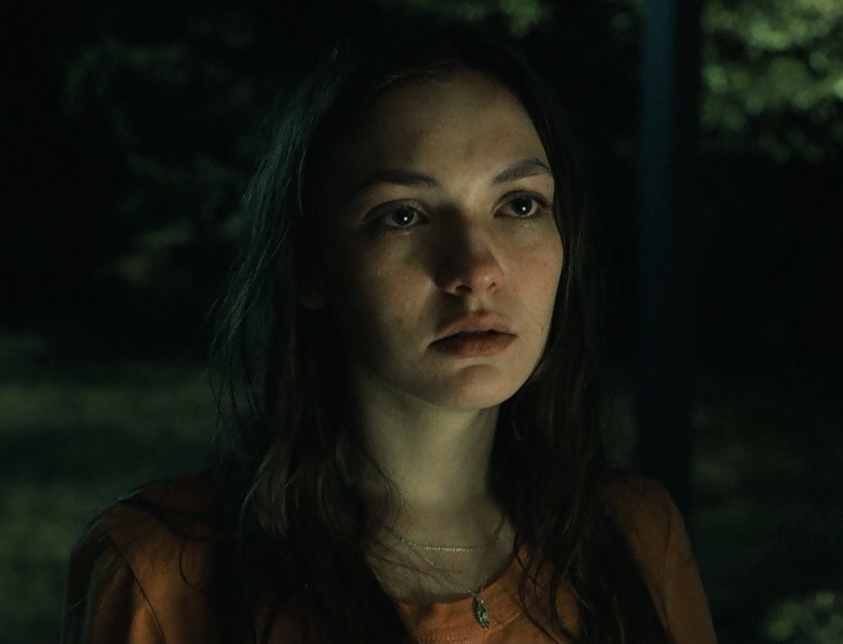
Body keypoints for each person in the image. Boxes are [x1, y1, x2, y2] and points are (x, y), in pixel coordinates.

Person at [61, 15, 718, 644]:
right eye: (404, 215)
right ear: (311, 264)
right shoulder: (165, 576)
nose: (476, 270)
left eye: (519, 205)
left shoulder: (634, 539)